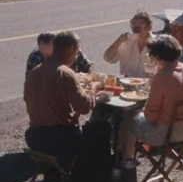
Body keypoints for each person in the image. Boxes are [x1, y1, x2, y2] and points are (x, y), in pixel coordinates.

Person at [23, 32, 107, 169]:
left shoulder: (34, 72)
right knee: (102, 128)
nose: (77, 55)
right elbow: (84, 107)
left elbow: (30, 100)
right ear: (70, 48)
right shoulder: (66, 74)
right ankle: (99, 175)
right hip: (59, 140)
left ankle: (62, 170)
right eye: (77, 51)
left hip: (34, 138)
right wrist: (94, 89)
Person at [118, 35, 183, 166]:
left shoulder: (162, 76)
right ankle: (128, 159)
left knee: (128, 118)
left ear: (156, 55)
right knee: (137, 115)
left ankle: (126, 161)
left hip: (165, 134)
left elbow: (150, 116)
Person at [104, 10, 153, 78]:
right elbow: (108, 58)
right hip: (128, 81)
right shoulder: (126, 42)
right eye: (134, 28)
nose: (137, 30)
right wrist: (118, 41)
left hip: (149, 83)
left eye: (141, 27)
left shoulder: (157, 44)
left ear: (149, 27)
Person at [26, 32, 93, 76]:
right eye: (45, 55)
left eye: (52, 53)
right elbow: (30, 82)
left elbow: (88, 68)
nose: (49, 58)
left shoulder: (72, 53)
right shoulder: (35, 57)